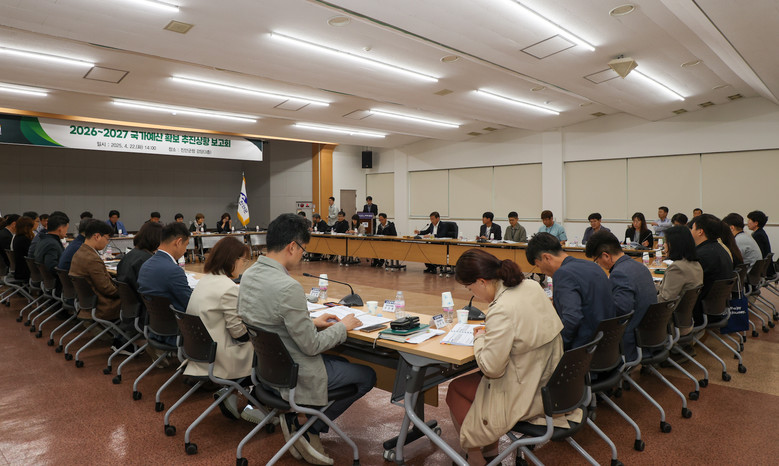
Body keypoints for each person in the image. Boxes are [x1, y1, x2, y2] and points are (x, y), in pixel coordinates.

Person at [238, 213, 375, 464]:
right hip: (295, 374)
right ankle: (310, 428)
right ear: (292, 246)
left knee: (342, 363)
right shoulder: (287, 286)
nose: (303, 255)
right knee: (367, 376)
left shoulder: (249, 275)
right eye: (303, 249)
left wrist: (312, 322)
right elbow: (312, 346)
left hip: (268, 371)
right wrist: (343, 327)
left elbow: (269, 320)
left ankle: (299, 422)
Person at [446, 249, 564, 465]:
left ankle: (476, 459)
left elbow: (492, 368)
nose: (472, 293)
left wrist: (480, 338)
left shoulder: (501, 308)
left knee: (456, 389)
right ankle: (491, 453)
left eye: (470, 288)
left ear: (481, 281)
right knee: (480, 383)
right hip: (552, 383)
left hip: (527, 393)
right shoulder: (532, 286)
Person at [185, 236, 255, 422]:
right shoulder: (228, 288)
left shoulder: (205, 280)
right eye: (244, 260)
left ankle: (230, 394)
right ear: (232, 260)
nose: (244, 265)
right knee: (268, 350)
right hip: (220, 357)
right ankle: (258, 406)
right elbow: (239, 335)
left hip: (199, 350)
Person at [526, 232, 615, 349]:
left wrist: (558, 347)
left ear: (547, 257)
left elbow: (572, 318)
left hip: (583, 349)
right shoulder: (592, 265)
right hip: (607, 342)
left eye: (538, 265)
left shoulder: (563, 274)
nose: (541, 271)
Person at [585, 231, 657, 361]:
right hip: (650, 335)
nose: (599, 265)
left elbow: (620, 312)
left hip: (631, 343)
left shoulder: (619, 273)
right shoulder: (640, 266)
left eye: (597, 261)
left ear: (606, 256)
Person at [69, 220, 120, 320]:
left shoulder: (79, 252)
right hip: (102, 306)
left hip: (88, 303)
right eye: (107, 239)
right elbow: (107, 289)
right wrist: (123, 292)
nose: (107, 242)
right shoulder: (92, 259)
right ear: (97, 236)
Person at [137, 222, 192, 314]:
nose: (185, 250)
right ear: (178, 242)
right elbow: (190, 304)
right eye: (186, 245)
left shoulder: (145, 265)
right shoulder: (174, 271)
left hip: (154, 319)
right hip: (176, 319)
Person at [689, 214, 734, 325]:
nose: (690, 231)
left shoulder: (701, 255)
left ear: (700, 232)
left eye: (692, 228)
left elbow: (688, 286)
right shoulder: (721, 249)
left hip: (700, 312)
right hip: (717, 308)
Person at [656, 226, 703, 303]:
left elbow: (665, 300)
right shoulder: (696, 264)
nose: (664, 245)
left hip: (671, 309)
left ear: (673, 244)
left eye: (666, 242)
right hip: (686, 309)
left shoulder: (677, 268)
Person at [117, 222, 163, 294]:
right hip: (142, 299)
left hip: (129, 299)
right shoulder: (148, 261)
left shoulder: (129, 255)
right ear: (156, 239)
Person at [33, 213, 70, 288]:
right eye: (66, 229)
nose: (66, 232)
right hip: (57, 284)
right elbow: (52, 267)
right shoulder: (52, 244)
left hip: (46, 280)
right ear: (60, 229)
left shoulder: (43, 239)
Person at [747, 210, 773, 276]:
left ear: (756, 223)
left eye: (749, 220)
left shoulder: (758, 235)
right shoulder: (760, 233)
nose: (747, 222)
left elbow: (758, 254)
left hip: (762, 270)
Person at [11, 216, 35, 282]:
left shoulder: (17, 238)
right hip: (26, 272)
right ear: (27, 227)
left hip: (19, 271)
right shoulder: (25, 240)